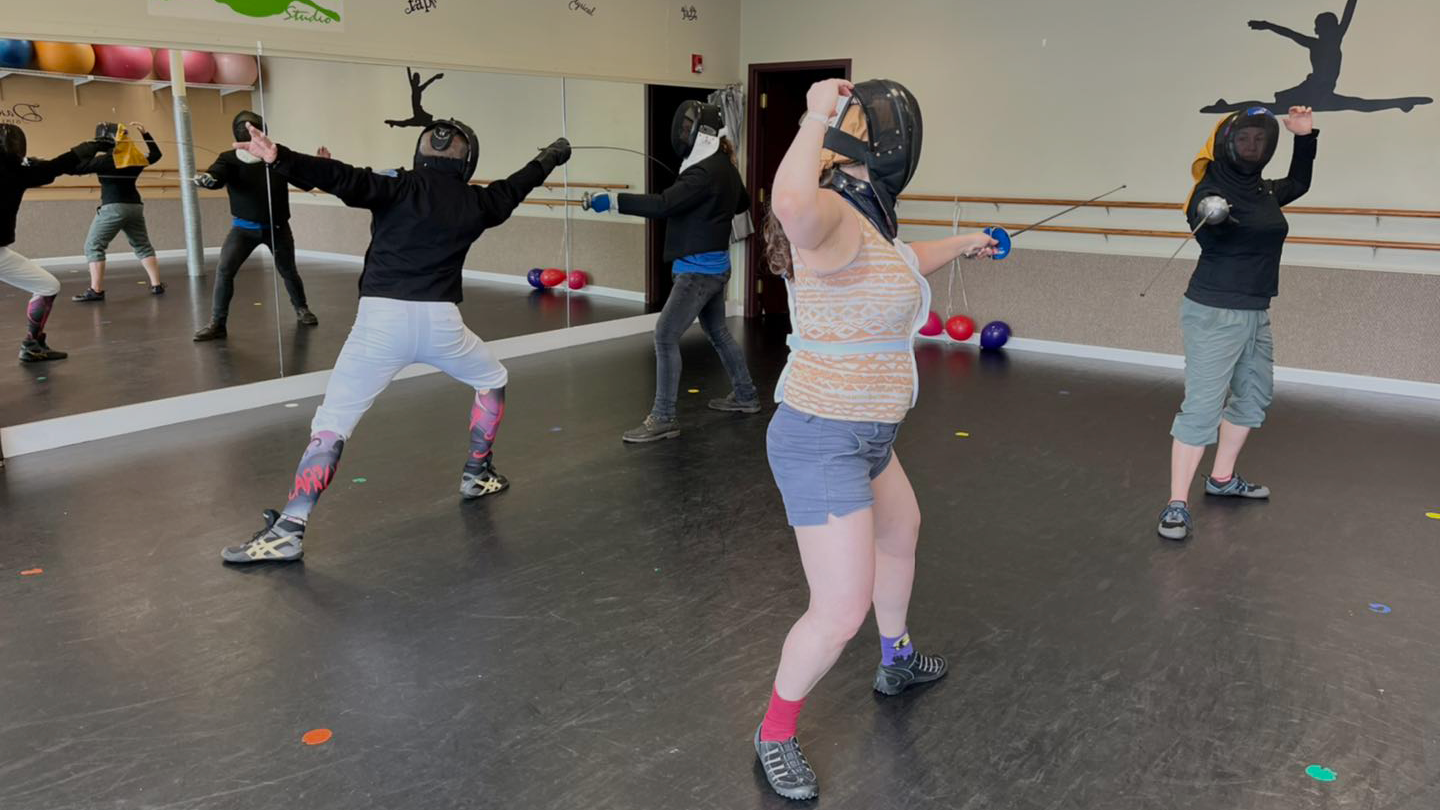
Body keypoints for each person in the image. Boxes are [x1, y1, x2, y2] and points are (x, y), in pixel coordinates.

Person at [753, 78, 997, 800]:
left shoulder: (867, 220)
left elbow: (898, 264)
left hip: (868, 435)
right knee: (837, 611)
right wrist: (812, 116)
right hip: (821, 436)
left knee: (903, 532)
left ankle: (896, 660)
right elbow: (790, 203)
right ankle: (773, 733)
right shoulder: (824, 209)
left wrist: (967, 242)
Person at [217, 117, 571, 563]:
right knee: (492, 376)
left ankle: (289, 528)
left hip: (380, 325)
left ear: (420, 154)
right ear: (467, 163)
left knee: (334, 423)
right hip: (443, 325)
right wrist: (550, 157)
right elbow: (517, 185)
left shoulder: (394, 186)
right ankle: (477, 472)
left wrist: (279, 156)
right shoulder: (479, 202)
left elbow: (341, 176)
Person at [1157, 105, 1317, 541]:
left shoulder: (1263, 190)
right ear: (1227, 144)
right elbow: (1207, 230)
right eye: (1244, 138)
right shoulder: (1206, 192)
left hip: (1256, 312)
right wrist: (1216, 217)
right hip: (1214, 312)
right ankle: (1176, 505)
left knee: (1254, 397)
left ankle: (1221, 479)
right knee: (1202, 409)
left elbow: (1299, 182)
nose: (1252, 145)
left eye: (1259, 139)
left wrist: (1304, 136)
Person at [583, 100, 759, 442]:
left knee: (664, 335)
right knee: (718, 332)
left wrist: (614, 201)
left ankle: (663, 417)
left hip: (697, 272)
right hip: (716, 266)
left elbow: (664, 205)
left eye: (687, 127)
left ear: (702, 132)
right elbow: (742, 203)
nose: (682, 132)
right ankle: (746, 395)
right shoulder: (724, 166)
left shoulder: (704, 172)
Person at [192, 110, 319, 341]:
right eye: (245, 128)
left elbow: (304, 181)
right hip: (243, 230)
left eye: (253, 127)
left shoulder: (276, 155)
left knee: (288, 270)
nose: (248, 130)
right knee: (224, 271)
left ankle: (302, 309)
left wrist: (322, 167)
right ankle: (217, 323)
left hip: (277, 229)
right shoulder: (228, 158)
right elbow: (216, 176)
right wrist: (208, 180)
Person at [0, 123, 108, 362]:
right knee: (48, 286)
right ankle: (31, 344)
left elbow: (44, 173)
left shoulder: (15, 171)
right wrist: (89, 148)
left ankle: (32, 344)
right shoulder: (14, 172)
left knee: (47, 285)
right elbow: (53, 169)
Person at [71, 122, 166, 301]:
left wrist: (91, 148)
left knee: (93, 246)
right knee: (142, 246)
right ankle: (156, 285)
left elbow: (77, 168)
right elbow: (156, 154)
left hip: (113, 208)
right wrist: (146, 134)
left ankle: (96, 290)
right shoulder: (135, 158)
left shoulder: (105, 160)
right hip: (135, 207)